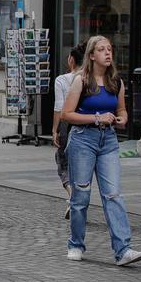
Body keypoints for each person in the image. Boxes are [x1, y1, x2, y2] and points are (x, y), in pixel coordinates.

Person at [61, 35, 141, 267]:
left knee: (113, 194)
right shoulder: (81, 81)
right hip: (83, 139)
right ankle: (76, 244)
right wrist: (97, 117)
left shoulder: (116, 82)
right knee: (81, 195)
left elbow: (122, 110)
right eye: (101, 49)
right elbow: (67, 114)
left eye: (109, 49)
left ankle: (123, 250)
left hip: (108, 140)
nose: (107, 53)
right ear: (91, 55)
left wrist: (122, 119)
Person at [52, 42, 87, 220]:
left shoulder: (62, 80)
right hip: (87, 124)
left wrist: (55, 129)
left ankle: (73, 195)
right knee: (81, 163)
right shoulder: (91, 78)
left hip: (68, 124)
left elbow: (59, 107)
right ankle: (79, 197)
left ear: (71, 60)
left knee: (63, 160)